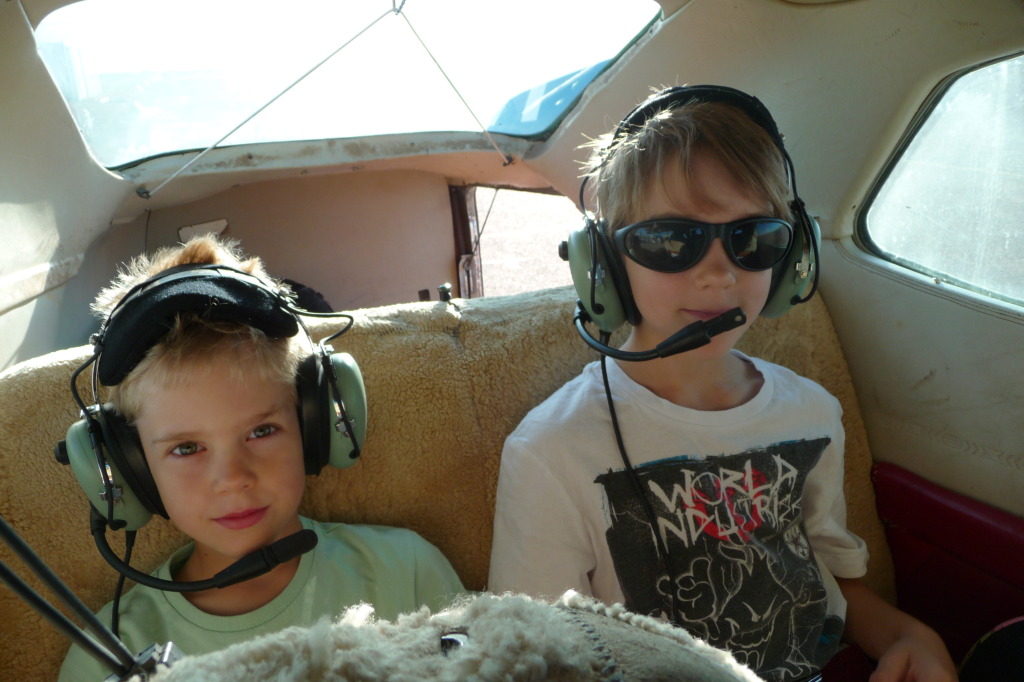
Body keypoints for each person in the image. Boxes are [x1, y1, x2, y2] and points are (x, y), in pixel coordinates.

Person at [488, 85, 957, 682]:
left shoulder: (813, 412)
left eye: (753, 239)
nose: (718, 275)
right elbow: (535, 659)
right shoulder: (552, 452)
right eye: (668, 240)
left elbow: (829, 583)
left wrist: (911, 636)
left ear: (792, 261)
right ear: (603, 263)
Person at [59, 236, 464, 682]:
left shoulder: (405, 573)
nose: (233, 479)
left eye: (261, 431)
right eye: (187, 448)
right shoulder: (110, 654)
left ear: (316, 428)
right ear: (127, 468)